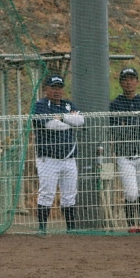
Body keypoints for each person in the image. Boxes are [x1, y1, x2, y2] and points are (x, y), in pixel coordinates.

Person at [33, 75, 84, 233]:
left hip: (69, 158)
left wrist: (62, 117)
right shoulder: (41, 105)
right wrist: (69, 122)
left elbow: (80, 121)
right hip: (48, 159)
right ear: (46, 89)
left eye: (59, 87)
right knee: (47, 194)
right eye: (53, 87)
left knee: (69, 195)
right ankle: (42, 228)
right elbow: (50, 124)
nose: (57, 91)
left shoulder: (68, 104)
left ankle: (71, 229)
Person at [110, 67, 140, 233]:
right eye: (125, 79)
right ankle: (131, 224)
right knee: (131, 192)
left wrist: (128, 123)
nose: (128, 82)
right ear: (121, 82)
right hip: (124, 153)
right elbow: (115, 128)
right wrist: (139, 122)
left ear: (137, 81)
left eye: (132, 79)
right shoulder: (115, 105)